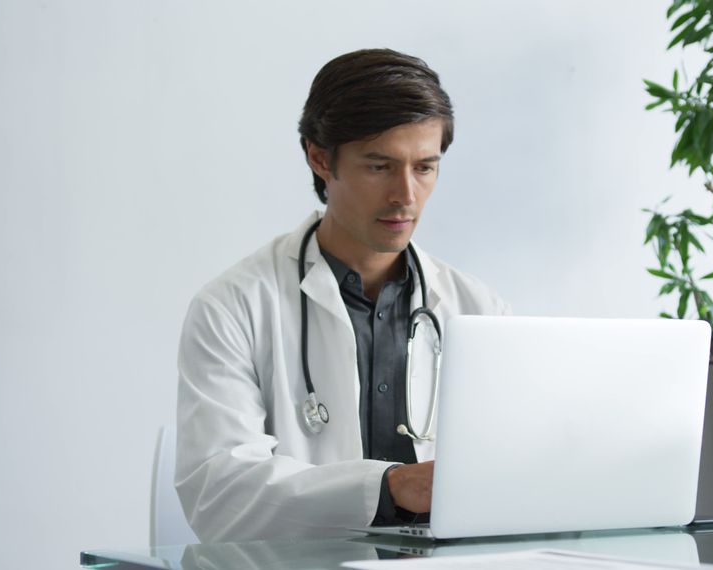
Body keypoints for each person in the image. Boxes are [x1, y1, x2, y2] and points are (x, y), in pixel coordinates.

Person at [175, 48, 510, 543]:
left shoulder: (477, 309)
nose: (405, 195)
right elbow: (218, 497)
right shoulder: (233, 307)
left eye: (424, 167)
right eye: (380, 166)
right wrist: (390, 488)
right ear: (319, 157)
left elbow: (512, 476)